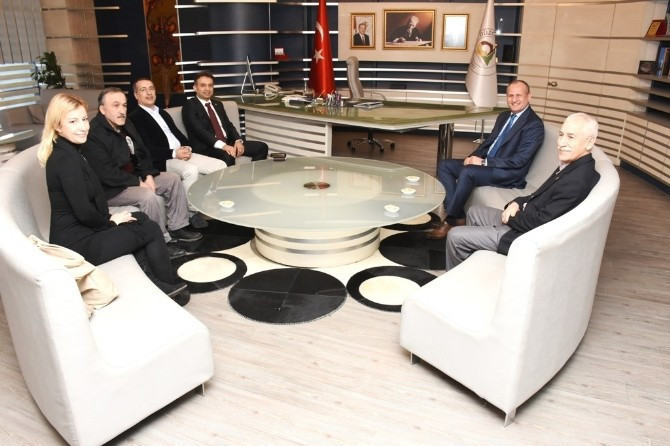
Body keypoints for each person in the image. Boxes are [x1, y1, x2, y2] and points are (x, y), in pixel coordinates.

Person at [37, 93, 190, 305]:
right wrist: (110, 221)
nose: (83, 127)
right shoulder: (66, 160)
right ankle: (167, 284)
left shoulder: (71, 151)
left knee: (140, 218)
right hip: (79, 243)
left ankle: (155, 281)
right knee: (151, 229)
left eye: (84, 119)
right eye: (73, 122)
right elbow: (84, 212)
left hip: (85, 232)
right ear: (58, 126)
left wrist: (111, 219)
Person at [445, 112, 601, 271]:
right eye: (561, 135)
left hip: (521, 236)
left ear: (589, 142)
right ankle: (473, 270)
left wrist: (513, 216)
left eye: (571, 137)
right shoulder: (573, 165)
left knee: (454, 236)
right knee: (474, 212)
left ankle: (456, 281)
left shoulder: (577, 180)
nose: (561, 143)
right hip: (524, 219)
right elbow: (537, 195)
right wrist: (516, 203)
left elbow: (541, 223)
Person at [83, 87, 202, 259]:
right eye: (115, 105)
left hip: (134, 177)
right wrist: (139, 183)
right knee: (147, 195)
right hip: (111, 189)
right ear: (102, 109)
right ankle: (161, 242)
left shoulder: (125, 124)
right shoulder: (93, 134)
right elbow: (105, 173)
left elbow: (142, 152)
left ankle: (178, 227)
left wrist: (148, 175)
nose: (122, 110)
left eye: (124, 105)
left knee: (173, 179)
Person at [428, 80, 544, 239]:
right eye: (510, 95)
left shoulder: (534, 125)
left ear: (529, 97)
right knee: (445, 165)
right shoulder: (504, 116)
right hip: (488, 164)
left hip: (508, 172)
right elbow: (489, 143)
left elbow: (519, 160)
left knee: (468, 172)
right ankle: (458, 216)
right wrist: (472, 157)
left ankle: (450, 220)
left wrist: (483, 162)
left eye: (519, 95)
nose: (514, 99)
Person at [128, 77, 227, 229]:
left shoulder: (162, 112)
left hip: (181, 153)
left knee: (220, 166)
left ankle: (207, 203)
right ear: (136, 95)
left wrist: (187, 147)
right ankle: (192, 212)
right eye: (143, 90)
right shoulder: (134, 118)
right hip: (164, 159)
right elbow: (145, 150)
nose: (149, 92)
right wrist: (174, 153)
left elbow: (178, 135)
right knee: (190, 170)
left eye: (151, 88)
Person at [182, 71, 268, 166]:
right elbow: (200, 131)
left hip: (227, 142)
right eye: (203, 85)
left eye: (210, 85)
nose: (207, 89)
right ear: (195, 87)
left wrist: (237, 141)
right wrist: (223, 146)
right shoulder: (190, 105)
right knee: (228, 155)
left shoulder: (217, 104)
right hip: (208, 147)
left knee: (261, 147)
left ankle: (252, 175)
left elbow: (228, 125)